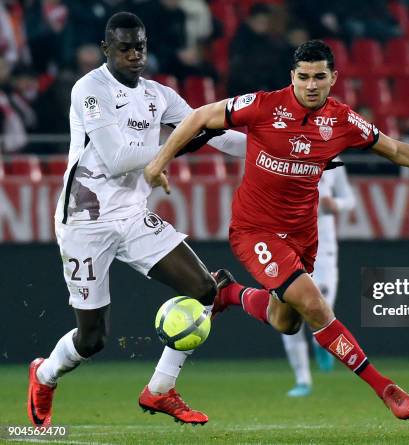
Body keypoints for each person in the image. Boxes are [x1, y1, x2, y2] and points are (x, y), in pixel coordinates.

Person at [145, 40, 409, 420]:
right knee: (314, 305)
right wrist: (160, 162)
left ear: (333, 79)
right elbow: (199, 117)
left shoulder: (342, 121)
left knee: (286, 321)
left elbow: (394, 150)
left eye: (319, 77)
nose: (311, 85)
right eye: (304, 77)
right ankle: (385, 388)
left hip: (302, 234)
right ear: (292, 77)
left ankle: (229, 293)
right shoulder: (262, 106)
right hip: (255, 230)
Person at [26, 12, 247, 427]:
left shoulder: (157, 95)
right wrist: (181, 143)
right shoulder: (89, 89)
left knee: (203, 289)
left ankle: (160, 390)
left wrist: (283, 152)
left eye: (139, 47)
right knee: (93, 339)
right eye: (124, 47)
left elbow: (215, 133)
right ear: (107, 49)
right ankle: (44, 374)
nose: (133, 54)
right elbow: (116, 158)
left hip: (130, 214)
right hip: (84, 220)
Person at [281, 160, 355, 397]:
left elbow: (350, 199)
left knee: (320, 308)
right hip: (288, 245)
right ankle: (302, 379)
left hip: (323, 248)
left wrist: (337, 204)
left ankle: (318, 341)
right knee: (288, 311)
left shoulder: (333, 158)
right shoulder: (285, 157)